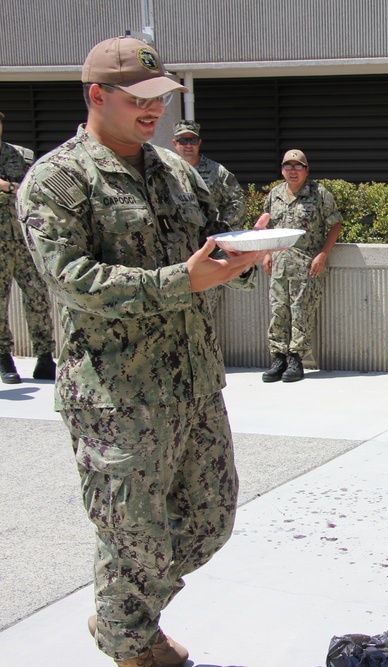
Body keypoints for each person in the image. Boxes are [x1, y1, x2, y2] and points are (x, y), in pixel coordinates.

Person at [16, 36, 264, 667]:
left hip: (193, 382)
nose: (156, 111)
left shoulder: (176, 171)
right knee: (132, 537)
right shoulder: (56, 177)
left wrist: (241, 256)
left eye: (161, 98)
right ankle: (132, 643)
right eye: (139, 99)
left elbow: (206, 247)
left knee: (209, 522)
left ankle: (122, 613)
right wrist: (181, 280)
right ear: (97, 95)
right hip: (115, 396)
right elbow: (70, 280)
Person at [254, 148, 342, 383]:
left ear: (306, 170)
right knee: (278, 312)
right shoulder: (275, 194)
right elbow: (267, 225)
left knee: (301, 312)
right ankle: (279, 358)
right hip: (279, 264)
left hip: (306, 264)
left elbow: (335, 224)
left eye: (298, 166)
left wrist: (323, 254)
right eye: (288, 166)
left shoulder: (319, 193)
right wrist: (266, 253)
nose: (293, 171)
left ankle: (296, 359)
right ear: (282, 170)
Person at [0, 111, 56, 383]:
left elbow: (35, 190)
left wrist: (8, 187)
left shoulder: (22, 156)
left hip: (24, 239)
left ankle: (45, 357)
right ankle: (4, 359)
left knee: (37, 298)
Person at [172, 119, 246, 314]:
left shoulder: (216, 172)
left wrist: (221, 235)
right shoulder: (166, 171)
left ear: (199, 143)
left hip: (207, 253)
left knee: (204, 312)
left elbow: (236, 201)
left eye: (192, 140)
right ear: (174, 143)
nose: (188, 145)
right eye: (183, 140)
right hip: (175, 255)